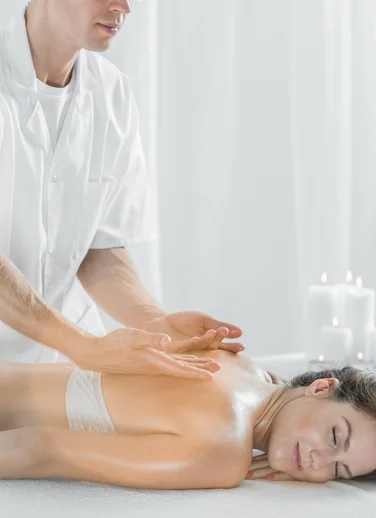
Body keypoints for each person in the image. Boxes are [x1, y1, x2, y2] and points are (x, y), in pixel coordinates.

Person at [0, 1, 243, 376]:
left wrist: (156, 325)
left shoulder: (111, 92)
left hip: (62, 366)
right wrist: (82, 346)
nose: (124, 7)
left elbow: (98, 248)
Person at [0, 341, 376, 489]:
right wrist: (231, 461)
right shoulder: (223, 454)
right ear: (322, 387)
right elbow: (42, 447)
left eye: (338, 473)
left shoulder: (237, 361)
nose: (318, 462)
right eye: (335, 438)